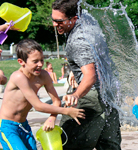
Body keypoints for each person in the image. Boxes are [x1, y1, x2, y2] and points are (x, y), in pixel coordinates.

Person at [52, 0, 122, 149]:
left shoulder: (78, 40)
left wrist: (76, 95)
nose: (54, 25)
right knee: (109, 145)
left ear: (74, 19)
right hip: (110, 93)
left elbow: (90, 76)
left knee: (69, 143)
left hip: (90, 96)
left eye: (59, 21)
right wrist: (73, 70)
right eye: (53, 20)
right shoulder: (88, 21)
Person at [0, 39, 85, 150]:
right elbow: (37, 105)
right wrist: (67, 111)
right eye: (35, 61)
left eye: (42, 60)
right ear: (21, 62)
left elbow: (56, 100)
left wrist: (52, 118)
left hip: (24, 126)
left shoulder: (43, 76)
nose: (40, 64)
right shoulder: (18, 77)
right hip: (7, 127)